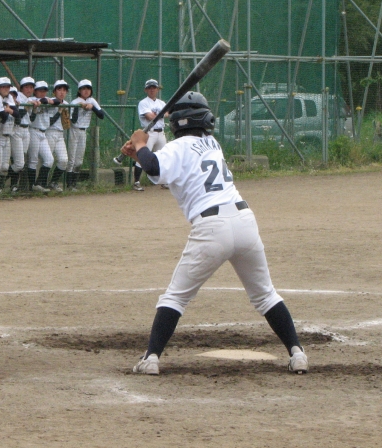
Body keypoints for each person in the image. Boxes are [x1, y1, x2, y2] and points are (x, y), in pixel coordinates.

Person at [121, 92, 309, 376]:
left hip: (211, 228)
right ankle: (297, 353)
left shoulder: (179, 146)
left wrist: (140, 143)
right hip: (244, 221)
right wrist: (140, 151)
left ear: (179, 121)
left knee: (175, 298)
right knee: (265, 295)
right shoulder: (212, 143)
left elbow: (155, 166)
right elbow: (158, 168)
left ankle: (151, 358)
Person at [66, 79, 104, 190]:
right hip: (74, 131)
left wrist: (92, 107)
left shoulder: (92, 101)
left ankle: (74, 183)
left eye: (88, 88)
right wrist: (79, 107)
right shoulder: (75, 102)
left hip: (83, 131)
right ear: (79, 90)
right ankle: (68, 184)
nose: (86, 91)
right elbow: (73, 120)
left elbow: (101, 115)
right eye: (83, 89)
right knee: (71, 159)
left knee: (79, 160)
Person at [133, 79, 168, 191]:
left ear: (157, 89)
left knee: (164, 157)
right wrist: (160, 114)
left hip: (161, 132)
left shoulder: (161, 103)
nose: (152, 90)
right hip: (149, 133)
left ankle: (163, 182)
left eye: (154, 88)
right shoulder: (143, 103)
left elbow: (168, 113)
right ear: (146, 90)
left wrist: (157, 114)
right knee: (142, 157)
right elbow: (149, 117)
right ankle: (136, 182)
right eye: (149, 88)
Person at [12, 77, 39, 192]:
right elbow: (17, 117)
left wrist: (34, 110)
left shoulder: (30, 99)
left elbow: (31, 119)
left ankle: (13, 186)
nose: (29, 89)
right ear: (21, 88)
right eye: (26, 87)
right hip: (17, 129)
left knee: (20, 162)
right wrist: (27, 107)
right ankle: (2, 182)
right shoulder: (17, 97)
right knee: (19, 163)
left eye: (31, 87)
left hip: (26, 130)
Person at [26, 81, 54, 193]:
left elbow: (57, 101)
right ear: (35, 91)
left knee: (49, 160)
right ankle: (32, 186)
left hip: (43, 133)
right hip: (33, 131)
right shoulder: (31, 100)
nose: (42, 92)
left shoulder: (46, 100)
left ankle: (38, 184)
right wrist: (43, 101)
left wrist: (46, 100)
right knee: (33, 160)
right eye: (40, 90)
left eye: (44, 90)